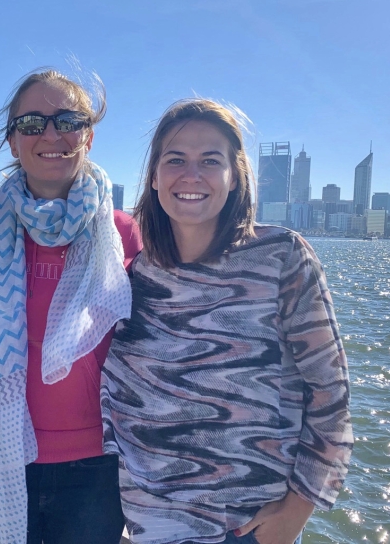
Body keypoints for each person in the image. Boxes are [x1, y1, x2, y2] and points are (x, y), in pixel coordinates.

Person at [101, 99, 353, 544]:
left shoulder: (281, 257)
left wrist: (298, 509)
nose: (191, 175)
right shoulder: (136, 274)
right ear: (154, 176)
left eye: (209, 161)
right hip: (149, 520)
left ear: (234, 176)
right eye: (175, 159)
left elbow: (330, 395)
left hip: (245, 525)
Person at [0, 69, 142, 544]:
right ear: (13, 143)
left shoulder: (124, 234)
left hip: (96, 466)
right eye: (32, 123)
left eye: (68, 121)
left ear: (88, 137)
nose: (51, 135)